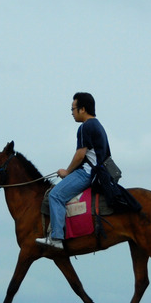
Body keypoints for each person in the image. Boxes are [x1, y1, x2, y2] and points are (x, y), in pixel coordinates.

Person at [36, 92, 112, 250]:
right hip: (98, 172)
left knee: (55, 195)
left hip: (86, 173)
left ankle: (56, 237)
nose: (71, 113)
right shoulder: (98, 125)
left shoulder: (85, 127)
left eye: (73, 109)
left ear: (82, 109)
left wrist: (67, 171)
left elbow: (80, 155)